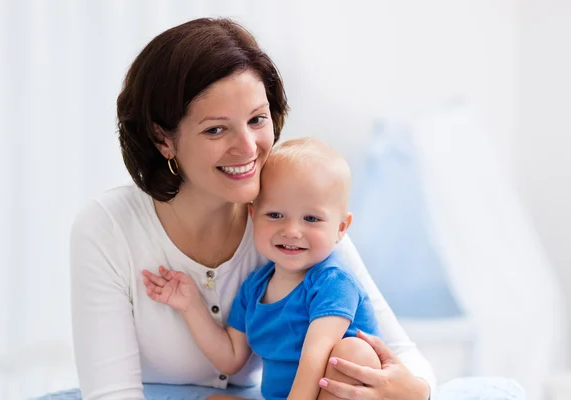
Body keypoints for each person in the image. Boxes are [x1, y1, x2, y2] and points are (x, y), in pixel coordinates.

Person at [70, 17, 435, 400]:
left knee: (354, 354)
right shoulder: (107, 227)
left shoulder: (301, 220)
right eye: (216, 129)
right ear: (163, 139)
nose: (248, 148)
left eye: (257, 119)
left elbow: (403, 357)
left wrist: (415, 392)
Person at [142, 138, 382, 400]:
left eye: (311, 219)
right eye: (275, 215)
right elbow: (231, 358)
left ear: (340, 229)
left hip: (334, 392)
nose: (291, 231)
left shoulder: (333, 282)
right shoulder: (255, 287)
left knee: (352, 353)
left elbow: (316, 354)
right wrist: (191, 306)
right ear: (253, 215)